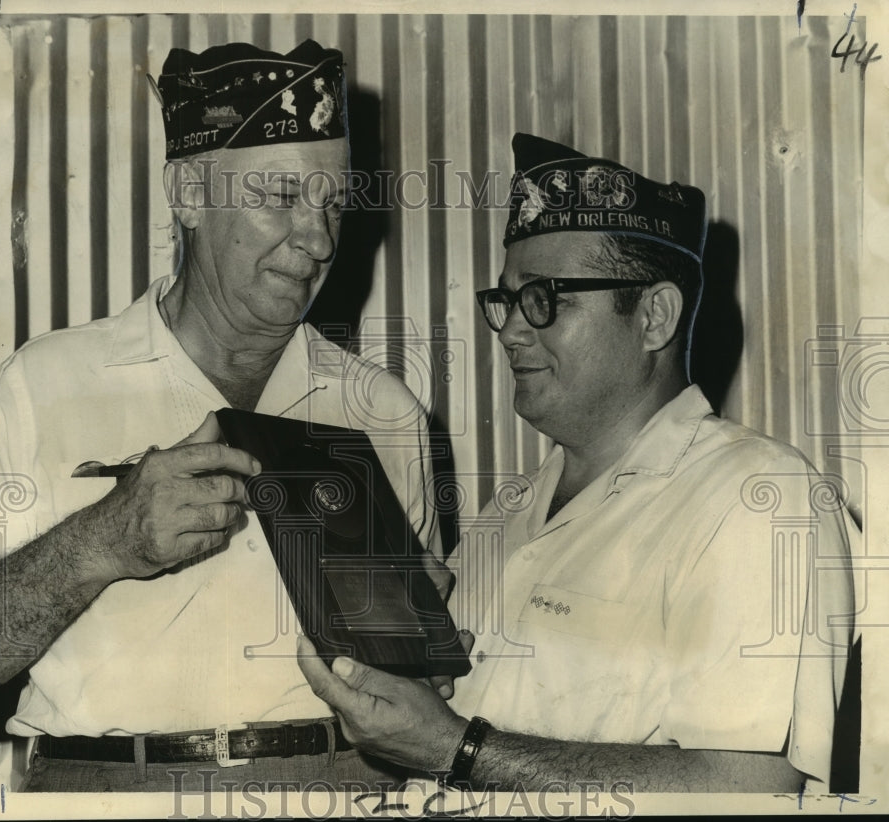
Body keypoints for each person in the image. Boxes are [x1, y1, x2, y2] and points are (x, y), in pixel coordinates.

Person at [0, 40, 441, 792]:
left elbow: (421, 700)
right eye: (281, 197)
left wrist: (425, 657)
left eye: (332, 202)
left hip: (344, 788)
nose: (318, 238)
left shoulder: (385, 412)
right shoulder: (48, 382)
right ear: (189, 193)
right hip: (107, 792)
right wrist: (104, 540)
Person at [298, 133, 857, 793]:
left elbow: (747, 788)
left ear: (654, 316)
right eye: (505, 301)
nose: (509, 329)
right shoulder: (507, 515)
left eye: (545, 298)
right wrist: (402, 657)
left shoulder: (756, 497)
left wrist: (459, 749)